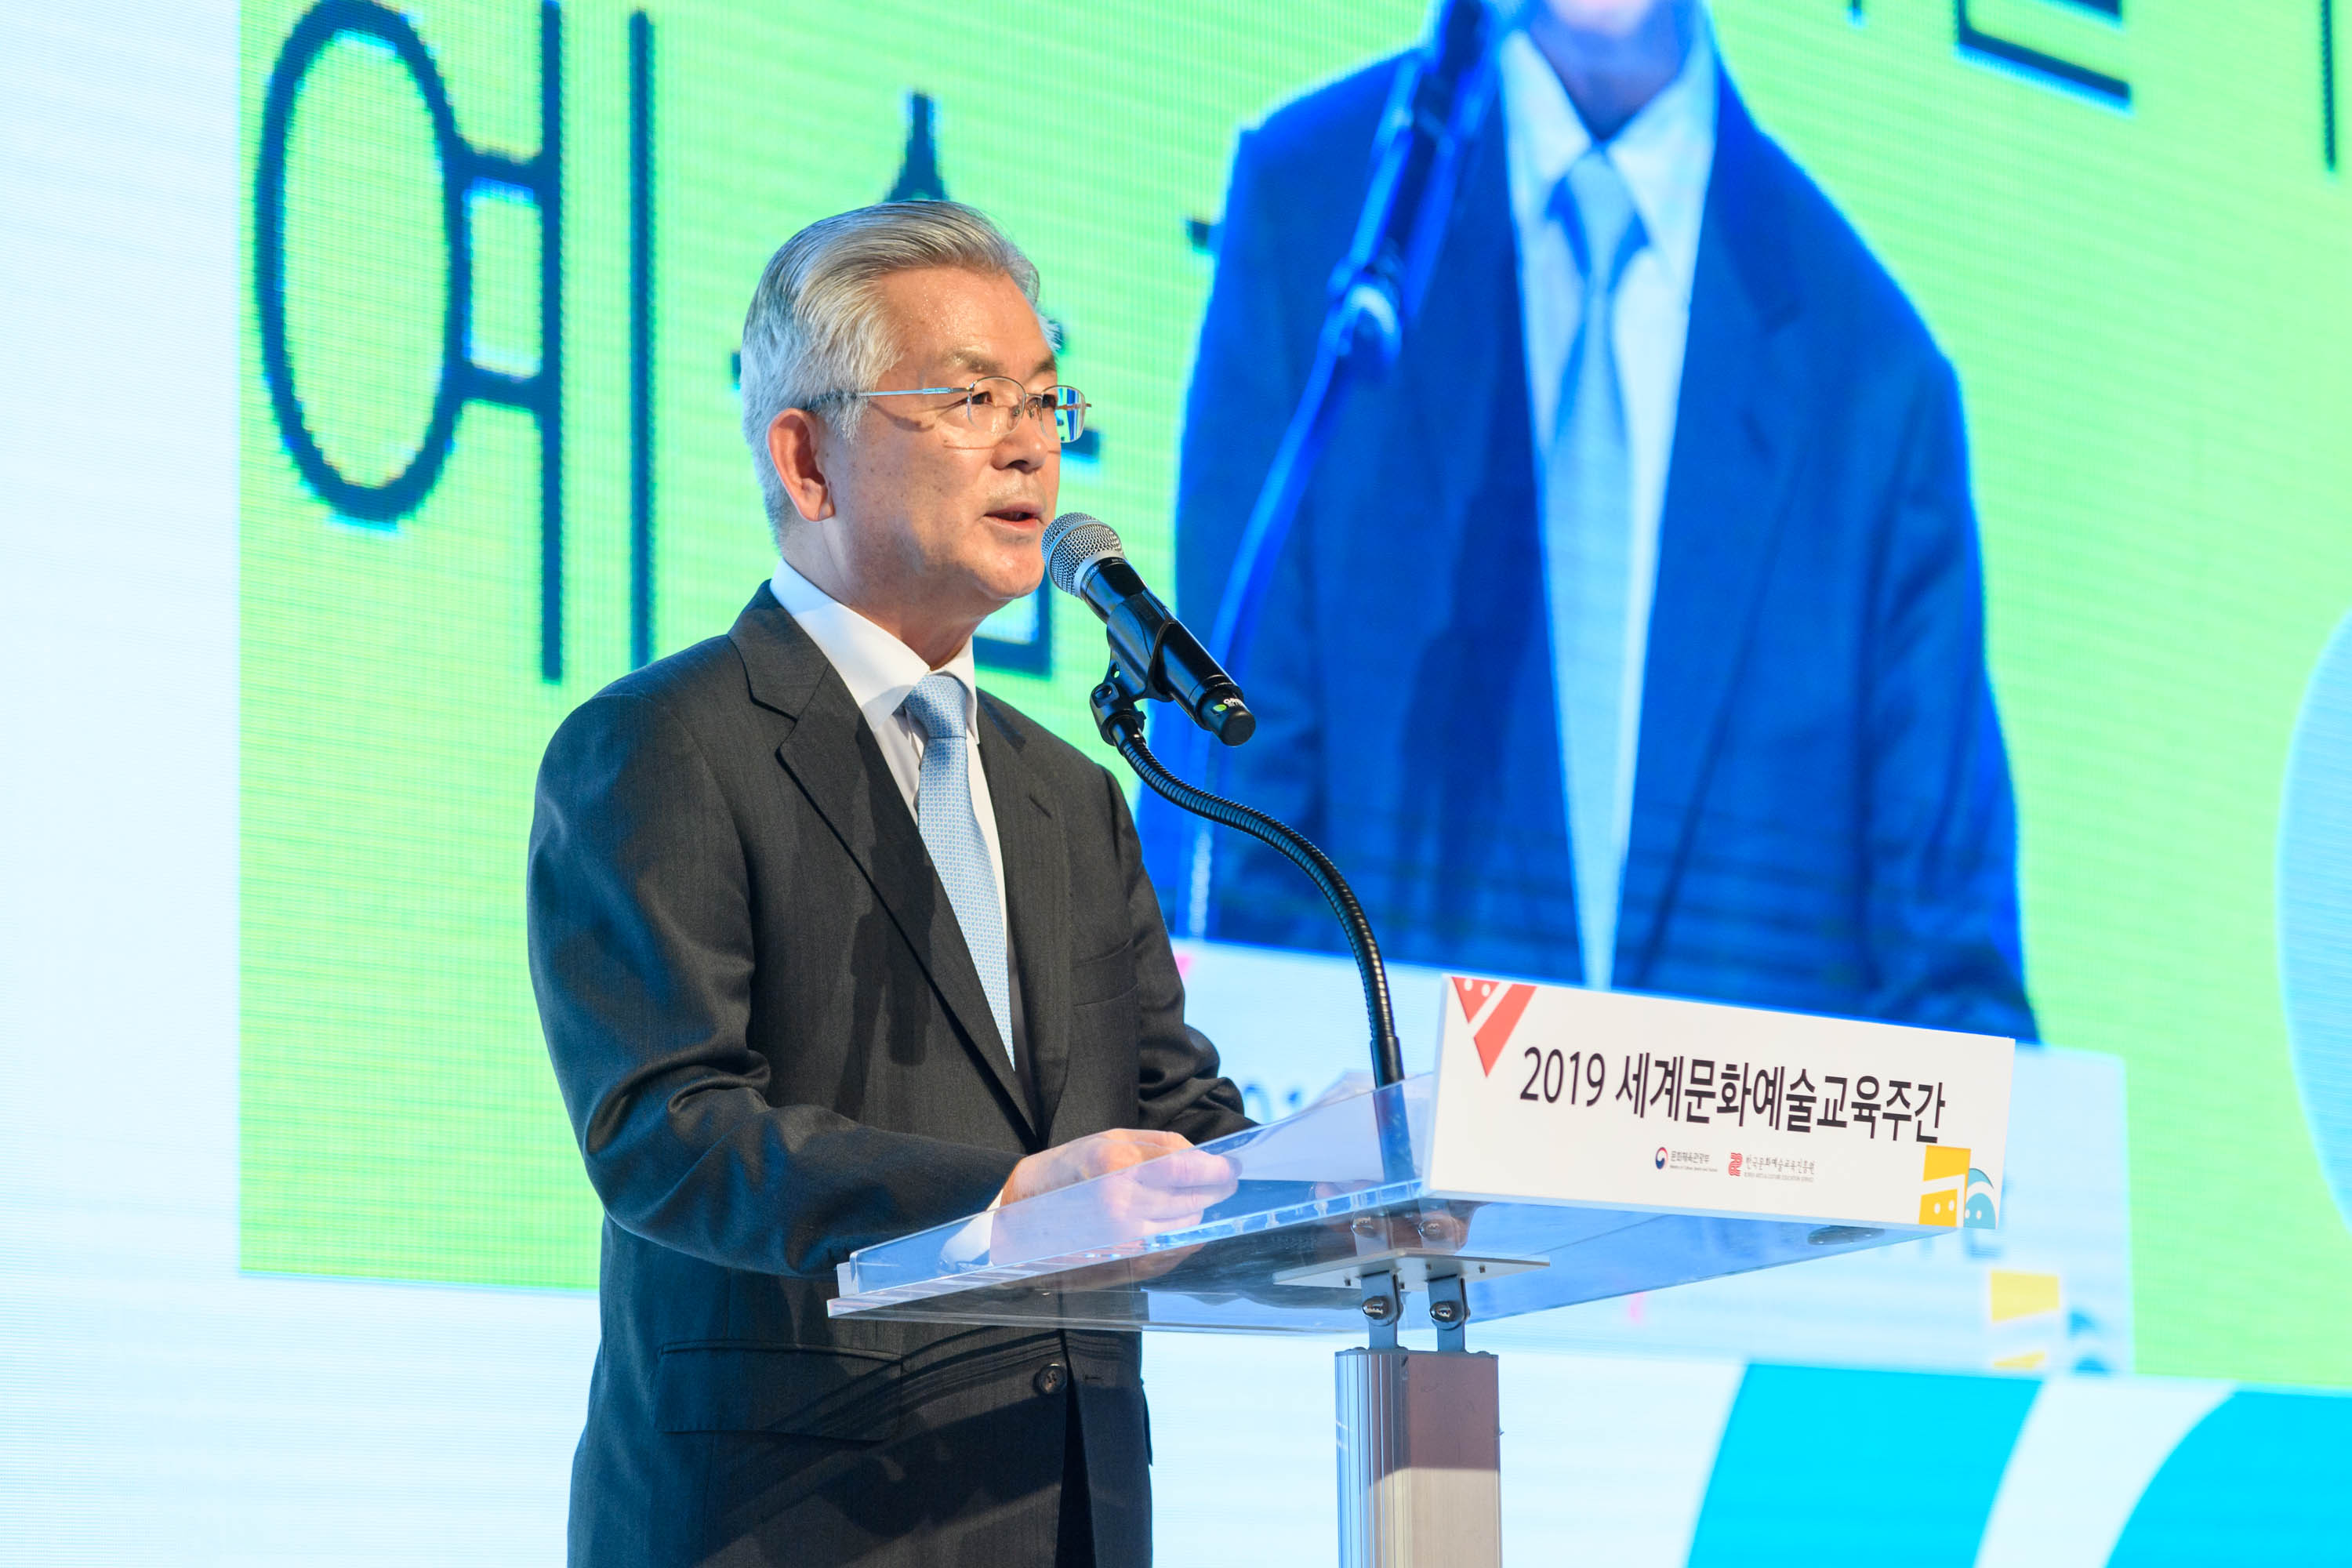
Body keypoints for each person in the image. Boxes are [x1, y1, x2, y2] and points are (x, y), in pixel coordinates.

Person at [529, 201, 1249, 1568]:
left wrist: (1377, 1166)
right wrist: (1006, 1200)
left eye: (1045, 398)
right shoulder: (665, 744)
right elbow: (666, 1130)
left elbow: (1173, 1117)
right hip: (790, 1524)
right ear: (806, 460)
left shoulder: (1072, 796)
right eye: (971, 398)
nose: (1031, 443)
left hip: (1067, 1515)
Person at [1160, 0, 2038, 1040]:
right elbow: (1236, 846)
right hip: (1368, 1142)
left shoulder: (1876, 378)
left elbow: (1947, 983)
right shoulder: (1314, 218)